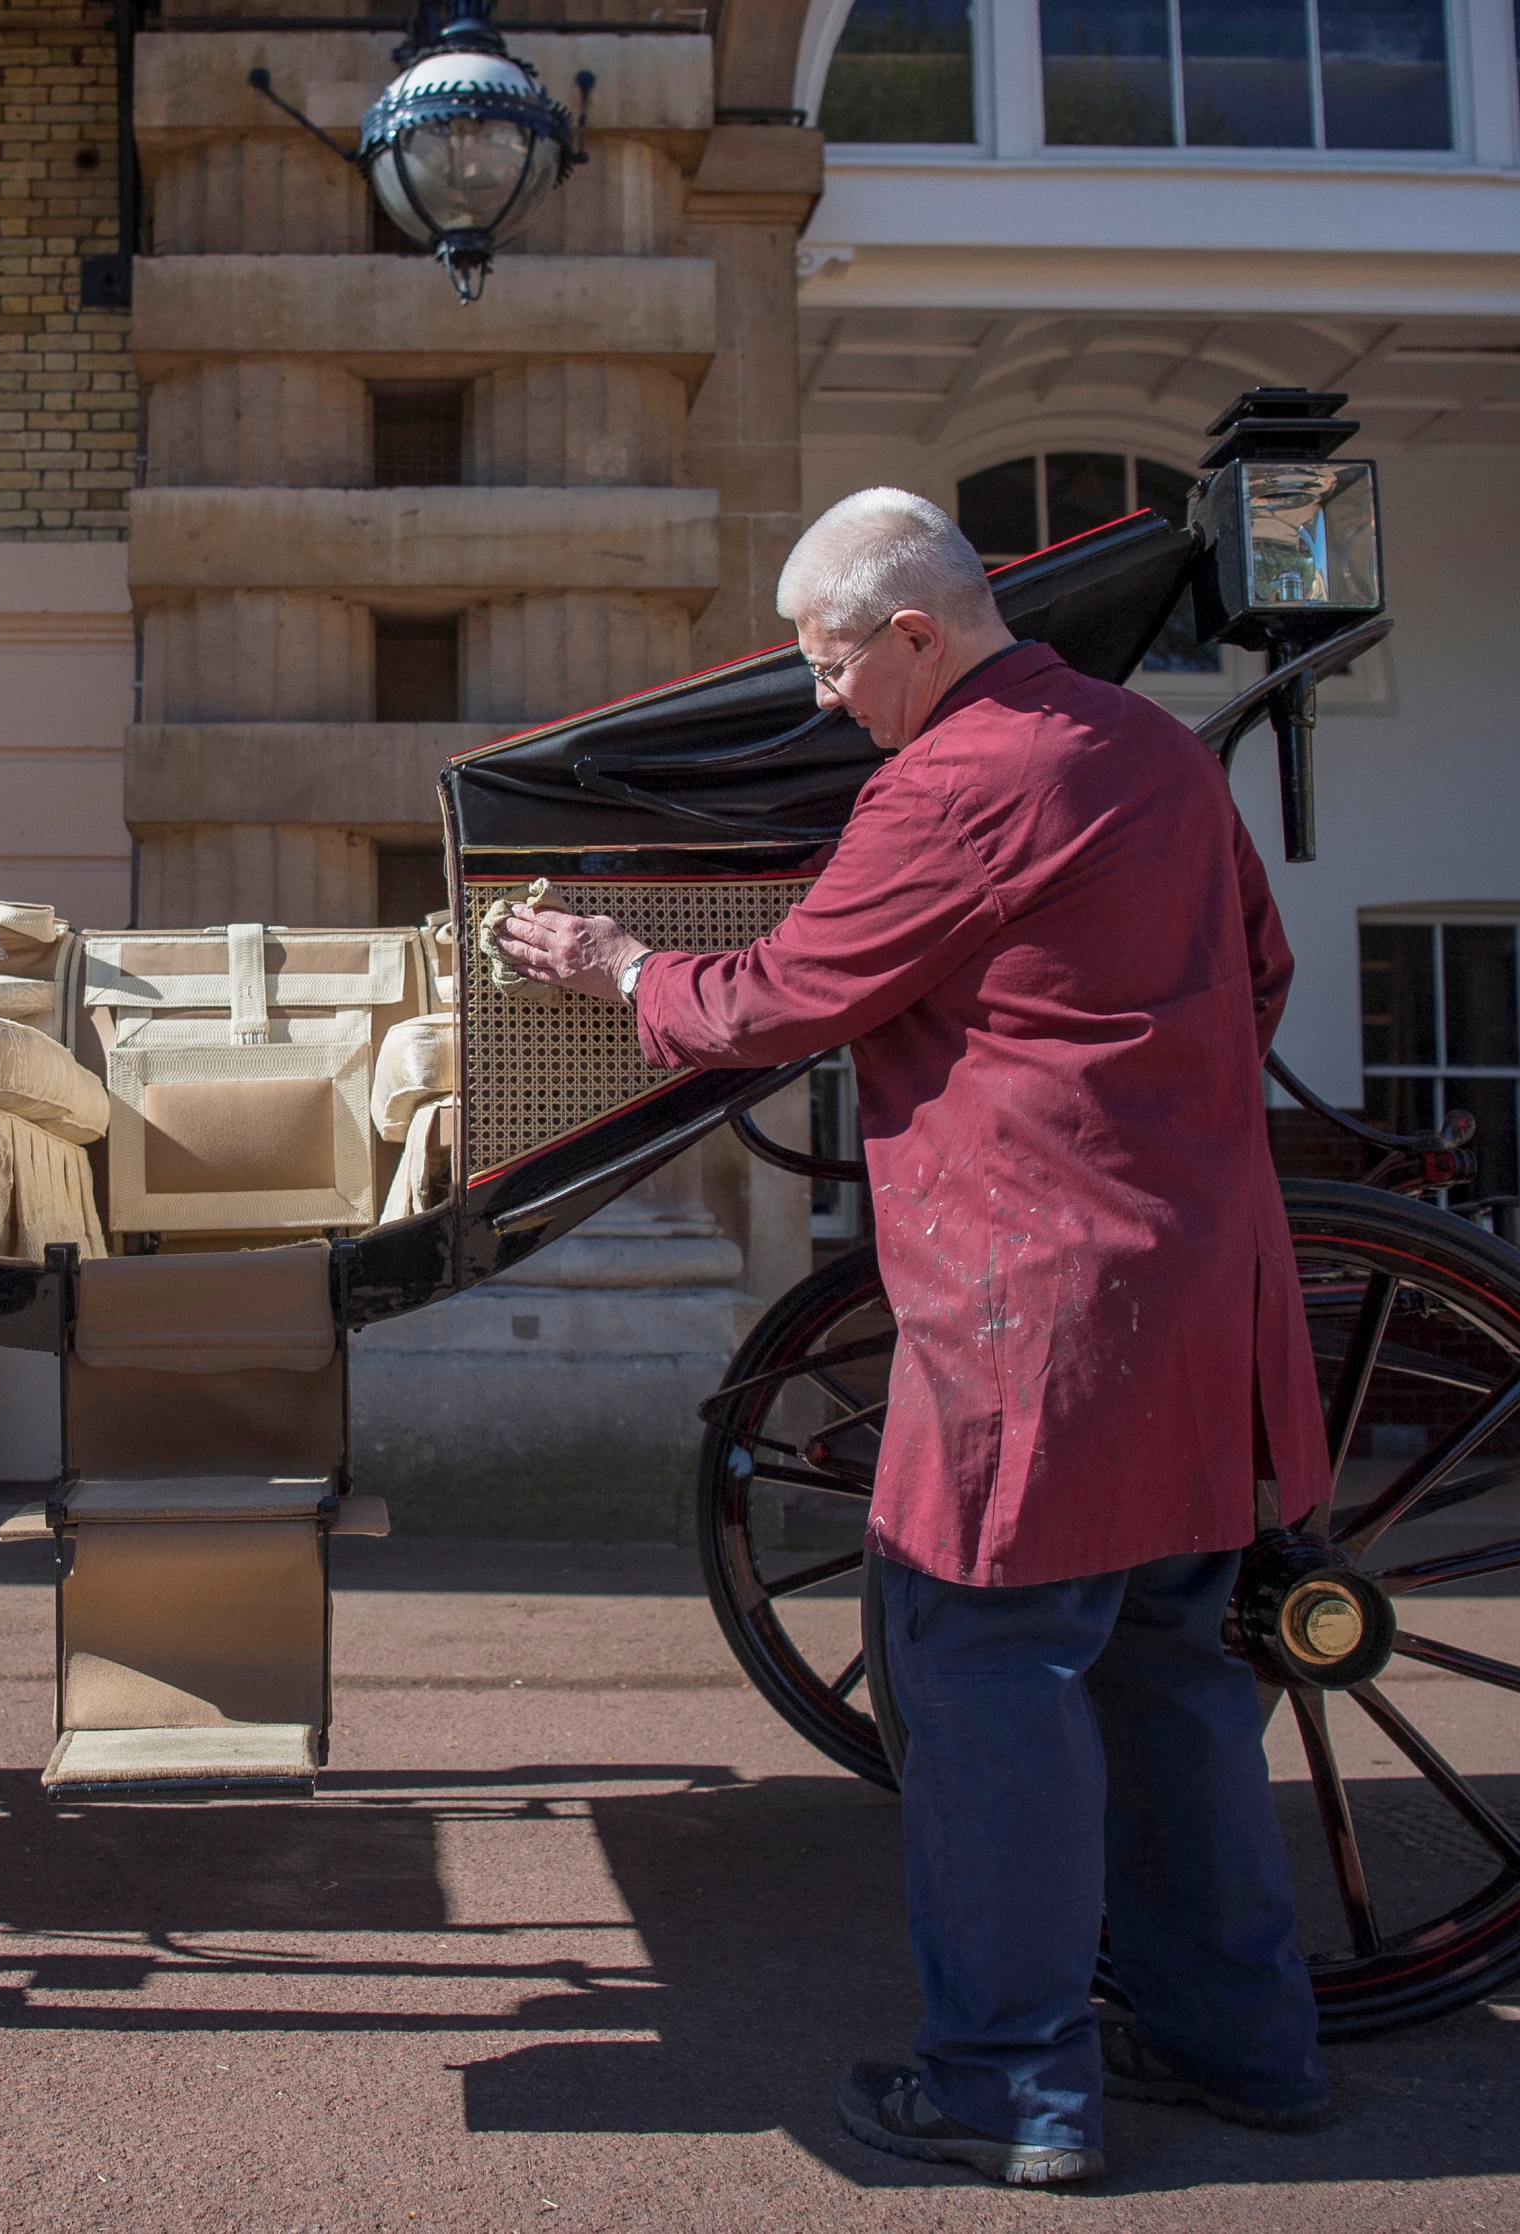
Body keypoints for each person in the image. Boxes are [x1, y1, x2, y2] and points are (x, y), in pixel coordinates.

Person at [493, 487, 1337, 2188]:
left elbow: (777, 1001)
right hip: (1203, 1295)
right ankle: (1241, 2040)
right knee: (1174, 1669)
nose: (817, 699)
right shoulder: (1156, 749)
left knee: (980, 1673)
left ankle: (1012, 2087)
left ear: (913, 636)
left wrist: (609, 962)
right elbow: (1263, 969)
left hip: (1037, 1308)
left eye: (825, 664)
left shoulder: (953, 779)